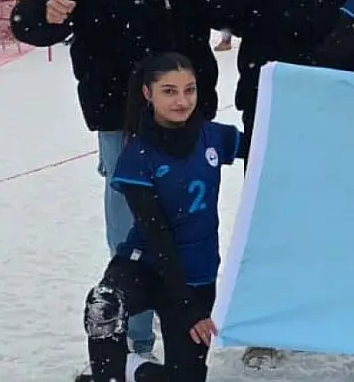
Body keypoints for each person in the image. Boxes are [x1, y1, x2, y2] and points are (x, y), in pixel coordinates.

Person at [11, 0, 220, 361]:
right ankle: (135, 337)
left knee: (188, 225)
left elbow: (229, 4)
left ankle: (182, 331)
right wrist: (44, 12)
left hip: (186, 114)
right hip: (121, 119)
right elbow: (29, 18)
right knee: (131, 229)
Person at [207, 0, 354, 369]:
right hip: (269, 96)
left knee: (329, 208)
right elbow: (217, 9)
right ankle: (265, 320)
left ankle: (322, 311)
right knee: (267, 213)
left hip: (332, 101)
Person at [76, 53, 243, 382]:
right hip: (147, 264)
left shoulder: (213, 136)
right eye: (169, 91)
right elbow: (157, 235)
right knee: (103, 305)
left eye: (190, 90)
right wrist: (189, 308)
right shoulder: (137, 154)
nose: (182, 101)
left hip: (197, 273)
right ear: (147, 94)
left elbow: (266, 143)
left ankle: (133, 369)